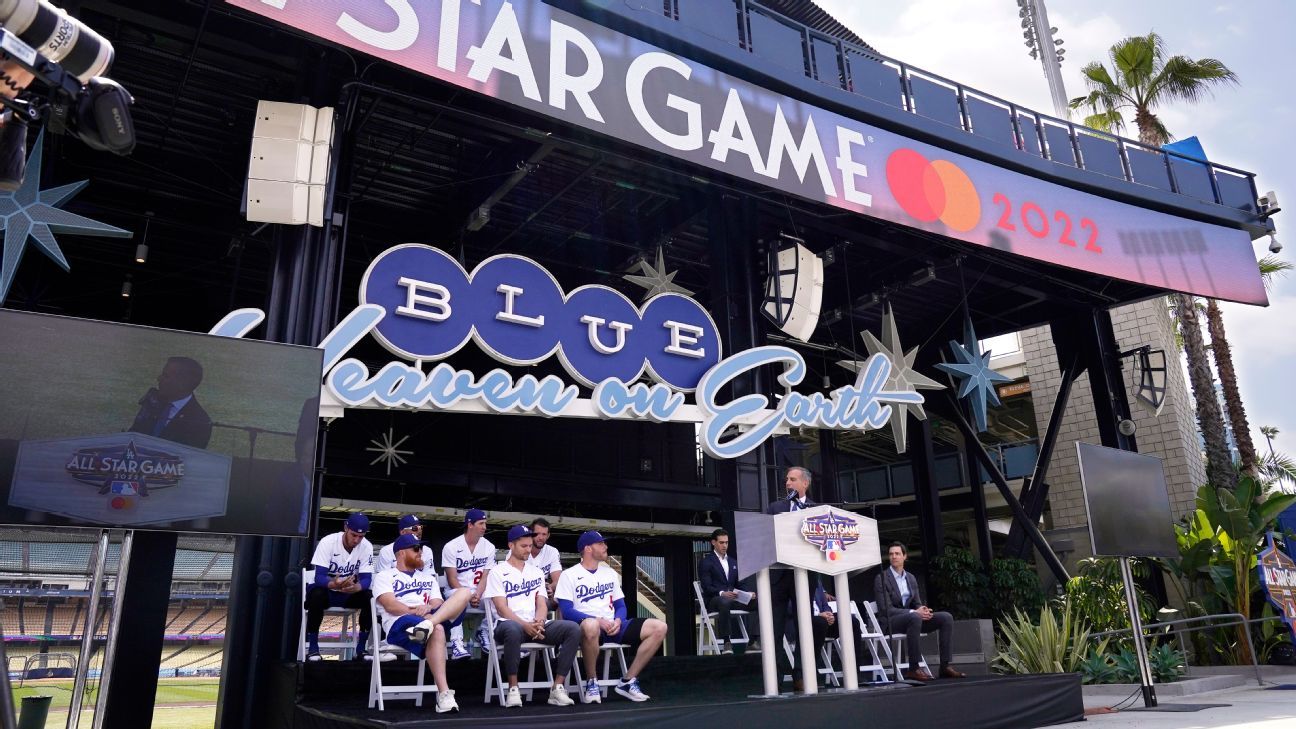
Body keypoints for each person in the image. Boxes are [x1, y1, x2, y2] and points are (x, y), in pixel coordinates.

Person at [555, 531, 668, 704]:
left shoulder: (609, 573)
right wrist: (596, 620)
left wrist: (617, 620)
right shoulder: (569, 574)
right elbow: (566, 610)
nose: (605, 546)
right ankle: (592, 682)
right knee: (591, 624)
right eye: (600, 544)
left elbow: (621, 606)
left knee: (660, 627)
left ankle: (628, 681)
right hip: (588, 629)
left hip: (613, 625)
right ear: (587, 549)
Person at [373, 532, 472, 714]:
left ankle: (429, 624)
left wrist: (427, 610)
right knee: (439, 629)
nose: (421, 553)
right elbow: (390, 605)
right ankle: (444, 694)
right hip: (401, 624)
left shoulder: (428, 578)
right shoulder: (384, 576)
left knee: (465, 592)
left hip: (428, 619)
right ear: (401, 553)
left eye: (422, 549)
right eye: (416, 549)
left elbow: (437, 602)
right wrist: (415, 610)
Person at [483, 524, 580, 708]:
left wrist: (540, 621)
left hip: (535, 625)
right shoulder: (497, 571)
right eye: (524, 546)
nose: (529, 549)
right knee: (512, 629)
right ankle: (513, 688)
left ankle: (557, 687)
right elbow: (502, 609)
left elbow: (542, 603)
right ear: (511, 545)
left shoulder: (535, 572)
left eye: (530, 545)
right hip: (508, 624)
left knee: (572, 628)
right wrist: (525, 625)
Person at [872, 542, 965, 681]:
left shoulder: (911, 578)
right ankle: (913, 669)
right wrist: (914, 612)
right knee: (915, 617)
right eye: (891, 554)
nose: (893, 556)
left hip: (912, 620)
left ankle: (945, 666)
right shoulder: (882, 578)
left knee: (946, 617)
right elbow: (886, 610)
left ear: (905, 556)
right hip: (891, 622)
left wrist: (924, 611)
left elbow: (917, 604)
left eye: (897, 554)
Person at [764, 466, 820, 691]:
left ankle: (801, 675)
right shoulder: (775, 508)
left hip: (805, 575)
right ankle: (775, 678)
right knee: (775, 629)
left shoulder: (817, 509)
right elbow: (764, 536)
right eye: (787, 480)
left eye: (792, 479)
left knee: (803, 627)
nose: (787, 483)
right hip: (779, 575)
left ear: (805, 483)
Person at [304, 512, 374, 661]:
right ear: (345, 528)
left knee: (369, 597)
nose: (357, 540)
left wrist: (358, 587)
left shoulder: (366, 546)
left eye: (361, 536)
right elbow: (319, 576)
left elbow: (367, 578)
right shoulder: (328, 542)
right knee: (316, 594)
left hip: (348, 593)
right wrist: (333, 584)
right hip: (327, 592)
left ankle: (361, 649)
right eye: (354, 535)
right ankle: (313, 648)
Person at [441, 508, 495, 660]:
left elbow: (485, 577)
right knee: (459, 597)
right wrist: (468, 595)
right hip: (456, 591)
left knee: (496, 597)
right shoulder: (451, 546)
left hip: (479, 592)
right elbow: (451, 579)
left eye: (485, 523)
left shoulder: (489, 546)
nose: (484, 527)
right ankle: (457, 643)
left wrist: (477, 594)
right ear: (470, 525)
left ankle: (484, 631)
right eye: (481, 523)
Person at [128, 356, 212, 449]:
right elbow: (134, 434)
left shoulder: (199, 423)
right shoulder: (153, 401)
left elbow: (186, 459)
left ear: (182, 384)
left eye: (166, 376)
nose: (159, 378)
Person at [698, 528, 756, 654]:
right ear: (713, 542)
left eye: (726, 542)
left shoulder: (733, 562)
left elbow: (741, 584)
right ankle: (726, 642)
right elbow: (706, 586)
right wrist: (721, 593)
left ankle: (754, 640)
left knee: (758, 602)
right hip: (714, 600)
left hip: (733, 598)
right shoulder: (706, 562)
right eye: (721, 542)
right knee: (724, 601)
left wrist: (748, 594)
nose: (725, 545)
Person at [526, 517, 563, 607]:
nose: (540, 537)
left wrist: (549, 587)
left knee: (561, 598)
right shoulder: (520, 549)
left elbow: (558, 580)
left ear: (548, 535)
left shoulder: (552, 551)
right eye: (537, 534)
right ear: (531, 534)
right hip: (522, 592)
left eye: (544, 534)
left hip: (542, 594)